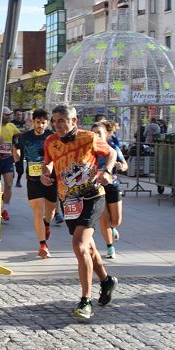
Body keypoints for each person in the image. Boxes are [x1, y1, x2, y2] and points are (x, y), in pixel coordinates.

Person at [40, 104, 118, 321]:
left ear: (74, 121)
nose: (58, 124)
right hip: (68, 200)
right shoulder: (50, 142)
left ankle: (85, 301)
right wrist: (45, 173)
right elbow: (48, 165)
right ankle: (106, 281)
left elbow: (111, 152)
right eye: (55, 120)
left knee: (79, 245)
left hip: (92, 196)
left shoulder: (88, 137)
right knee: (89, 247)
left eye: (62, 120)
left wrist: (107, 171)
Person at [18, 109, 57, 258]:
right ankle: (43, 245)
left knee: (50, 211)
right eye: (38, 122)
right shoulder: (25, 137)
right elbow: (17, 149)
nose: (40, 125)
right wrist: (18, 164)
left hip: (50, 178)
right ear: (33, 122)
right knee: (38, 211)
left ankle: (47, 224)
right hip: (33, 179)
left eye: (43, 122)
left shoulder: (52, 137)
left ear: (47, 123)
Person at [92, 121, 129, 259]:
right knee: (104, 219)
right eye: (94, 133)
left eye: (99, 133)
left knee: (116, 221)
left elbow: (125, 165)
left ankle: (113, 228)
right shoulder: (89, 150)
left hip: (112, 186)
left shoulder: (112, 148)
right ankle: (110, 247)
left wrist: (121, 166)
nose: (96, 135)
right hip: (96, 188)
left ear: (106, 134)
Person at [12, 109, 28, 188]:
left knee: (20, 165)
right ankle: (11, 172)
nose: (19, 116)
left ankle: (18, 181)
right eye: (18, 114)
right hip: (13, 146)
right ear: (14, 115)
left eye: (20, 114)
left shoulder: (24, 123)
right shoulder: (11, 123)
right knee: (11, 162)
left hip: (22, 147)